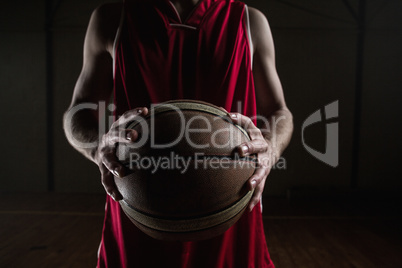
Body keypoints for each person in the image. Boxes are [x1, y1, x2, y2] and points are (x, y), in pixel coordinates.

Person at [63, 0, 293, 267]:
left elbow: (279, 110)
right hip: (139, 198)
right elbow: (77, 111)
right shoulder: (113, 17)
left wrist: (270, 149)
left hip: (230, 201)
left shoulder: (248, 20)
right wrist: (98, 147)